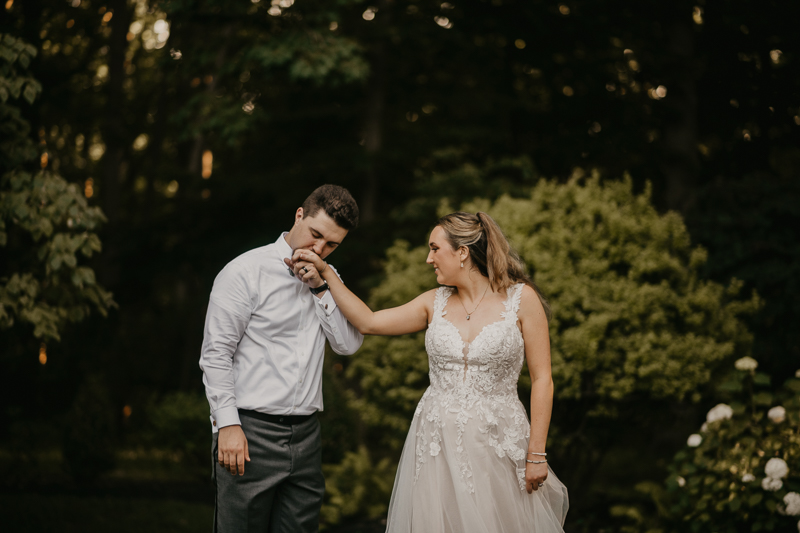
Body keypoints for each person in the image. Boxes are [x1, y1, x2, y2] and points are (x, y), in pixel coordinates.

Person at [287, 211, 569, 532]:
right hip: (438, 442)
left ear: (462, 252)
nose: (428, 258)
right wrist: (326, 276)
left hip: (499, 441)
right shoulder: (433, 302)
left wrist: (536, 453)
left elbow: (543, 379)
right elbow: (369, 321)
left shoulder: (522, 299)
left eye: (435, 249)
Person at [199, 184, 364, 533]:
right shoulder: (244, 272)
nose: (319, 249)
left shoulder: (329, 280)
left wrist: (321, 288)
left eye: (331, 244)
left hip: (306, 436)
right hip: (248, 432)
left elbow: (348, 345)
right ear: (299, 216)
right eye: (316, 235)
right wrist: (227, 425)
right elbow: (216, 355)